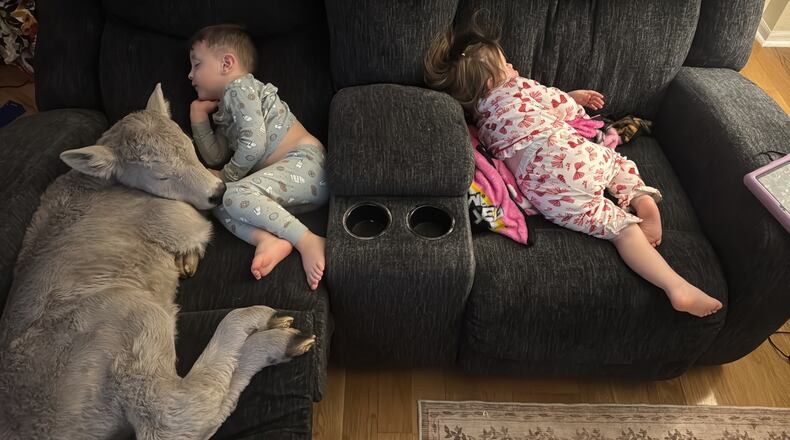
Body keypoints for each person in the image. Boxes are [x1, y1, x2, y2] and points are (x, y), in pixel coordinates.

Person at [424, 22, 722, 317]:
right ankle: (640, 198)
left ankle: (674, 286)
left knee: (619, 230)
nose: (514, 66)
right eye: (507, 64)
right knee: (618, 164)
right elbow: (563, 107)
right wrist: (575, 100)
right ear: (492, 82)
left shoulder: (482, 125)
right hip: (575, 157)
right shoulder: (518, 86)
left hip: (546, 191)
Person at [188, 24, 328, 290]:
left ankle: (307, 240)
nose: (190, 75)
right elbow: (215, 156)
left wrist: (226, 177)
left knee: (231, 192)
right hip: (287, 188)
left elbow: (253, 145)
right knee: (215, 199)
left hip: (308, 165)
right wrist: (198, 118)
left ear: (227, 63)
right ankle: (268, 239)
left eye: (197, 65)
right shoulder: (226, 110)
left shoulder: (240, 88)